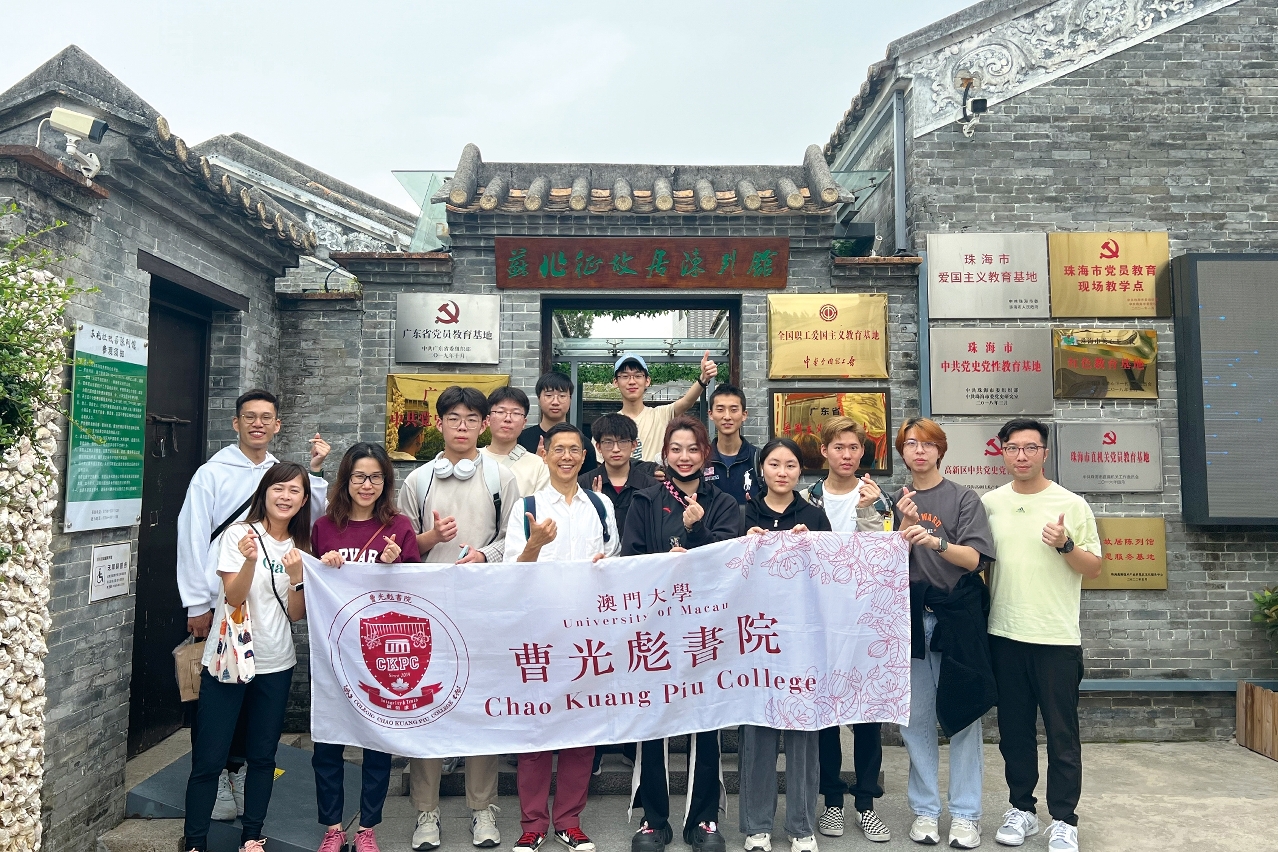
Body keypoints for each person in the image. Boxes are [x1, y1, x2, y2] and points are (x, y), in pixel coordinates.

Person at [175, 389, 330, 821]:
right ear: (236, 423)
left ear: (277, 425)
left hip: (269, 610)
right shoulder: (212, 473)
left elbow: (309, 521)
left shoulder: (281, 472)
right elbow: (192, 535)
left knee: (255, 707)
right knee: (213, 704)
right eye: (249, 417)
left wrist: (316, 471)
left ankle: (240, 774)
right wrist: (196, 602)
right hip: (221, 601)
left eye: (266, 418)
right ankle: (218, 779)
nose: (258, 424)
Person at [397, 386, 519, 851]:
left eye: (471, 419)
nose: (462, 426)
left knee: (480, 707)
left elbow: (514, 538)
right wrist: (431, 539)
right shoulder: (418, 480)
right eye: (453, 418)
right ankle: (425, 812)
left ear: (484, 425)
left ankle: (482, 808)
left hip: (482, 607)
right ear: (439, 424)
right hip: (428, 610)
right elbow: (401, 549)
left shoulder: (501, 477)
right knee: (425, 707)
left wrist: (485, 556)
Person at [621, 415, 742, 852]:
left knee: (705, 722)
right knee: (653, 720)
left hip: (705, 629)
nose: (684, 457)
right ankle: (654, 819)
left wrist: (696, 530)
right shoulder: (645, 500)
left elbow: (728, 561)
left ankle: (703, 819)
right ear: (664, 453)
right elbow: (630, 560)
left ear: (705, 453)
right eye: (676, 449)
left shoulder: (723, 502)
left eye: (693, 449)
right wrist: (663, 565)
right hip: (655, 627)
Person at [982, 420, 1101, 852]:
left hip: (1056, 639)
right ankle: (1022, 810)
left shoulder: (1072, 504)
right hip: (1004, 634)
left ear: (1045, 453)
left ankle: (1065, 819)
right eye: (1013, 447)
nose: (1022, 455)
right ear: (1001, 452)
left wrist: (1066, 544)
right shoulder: (990, 503)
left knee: (1061, 734)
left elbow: (1094, 568)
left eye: (1030, 447)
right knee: (1014, 733)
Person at [181, 463, 312, 852]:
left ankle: (252, 837)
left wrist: (297, 577)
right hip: (228, 661)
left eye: (294, 491)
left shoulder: (301, 546)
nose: (285, 496)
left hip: (276, 662)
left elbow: (296, 614)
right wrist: (251, 561)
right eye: (278, 488)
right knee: (209, 758)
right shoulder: (240, 534)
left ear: (304, 499)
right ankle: (195, 842)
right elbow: (234, 598)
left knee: (263, 756)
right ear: (264, 492)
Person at [503, 423, 620, 852]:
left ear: (585, 455)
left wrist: (605, 565)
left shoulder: (600, 505)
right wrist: (535, 543)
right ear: (545, 454)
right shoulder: (527, 507)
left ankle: (569, 821)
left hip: (588, 635)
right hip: (540, 633)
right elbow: (513, 573)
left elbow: (616, 562)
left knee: (580, 730)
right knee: (536, 730)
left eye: (574, 450)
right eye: (559, 449)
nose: (567, 457)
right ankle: (533, 824)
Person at [892, 418, 997, 849]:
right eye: (910, 443)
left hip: (956, 619)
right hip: (911, 620)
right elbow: (880, 565)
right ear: (901, 451)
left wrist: (934, 540)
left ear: (940, 450)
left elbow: (975, 559)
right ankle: (925, 811)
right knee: (915, 721)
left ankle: (967, 815)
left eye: (927, 444)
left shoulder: (963, 497)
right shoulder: (892, 500)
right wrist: (900, 529)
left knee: (964, 716)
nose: (919, 450)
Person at [311, 443, 421, 852]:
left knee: (378, 743)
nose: (366, 485)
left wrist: (396, 566)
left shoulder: (399, 526)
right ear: (346, 479)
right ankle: (333, 827)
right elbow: (310, 582)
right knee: (328, 742)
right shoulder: (324, 527)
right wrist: (325, 566)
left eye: (375, 477)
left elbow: (416, 593)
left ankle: (367, 828)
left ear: (386, 482)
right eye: (359, 476)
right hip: (335, 651)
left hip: (382, 652)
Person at [798, 418, 892, 843]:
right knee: (826, 717)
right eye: (839, 447)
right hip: (820, 621)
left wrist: (867, 511)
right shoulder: (807, 498)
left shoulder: (877, 497)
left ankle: (866, 804)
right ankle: (832, 801)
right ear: (825, 451)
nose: (847, 455)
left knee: (868, 714)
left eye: (854, 447)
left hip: (865, 621)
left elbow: (883, 557)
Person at [739, 438, 830, 852]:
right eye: (774, 464)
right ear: (762, 469)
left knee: (803, 734)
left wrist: (812, 547)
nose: (782, 472)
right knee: (757, 734)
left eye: (790, 465)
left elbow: (832, 577)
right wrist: (745, 545)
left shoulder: (814, 516)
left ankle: (801, 826)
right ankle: (757, 826)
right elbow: (723, 574)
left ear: (800, 471)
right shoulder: (743, 513)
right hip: (755, 641)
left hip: (800, 640)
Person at [613, 352, 717, 463]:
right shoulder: (610, 424)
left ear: (647, 381)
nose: (632, 382)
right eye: (625, 376)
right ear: (615, 382)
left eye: (638, 376)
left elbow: (687, 402)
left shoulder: (661, 415)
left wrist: (703, 378)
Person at [578, 413, 657, 540]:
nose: (616, 449)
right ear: (598, 447)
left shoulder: (651, 487)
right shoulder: (582, 485)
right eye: (608, 442)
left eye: (622, 441)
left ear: (634, 445)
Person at [518, 372, 598, 472]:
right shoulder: (521, 440)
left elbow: (588, 479)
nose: (555, 402)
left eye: (562, 396)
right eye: (549, 395)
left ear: (570, 399)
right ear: (539, 398)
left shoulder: (583, 443)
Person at [482, 386, 552, 497]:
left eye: (515, 413)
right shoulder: (472, 460)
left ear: (524, 422)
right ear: (488, 420)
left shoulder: (538, 466)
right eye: (500, 412)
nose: (507, 419)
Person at [703, 383, 757, 505]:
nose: (727, 417)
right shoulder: (701, 459)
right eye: (720, 410)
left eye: (733, 410)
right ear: (710, 414)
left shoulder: (758, 458)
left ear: (744, 415)